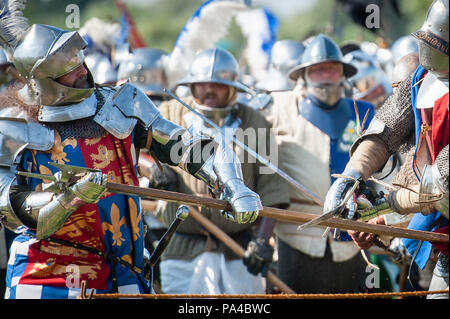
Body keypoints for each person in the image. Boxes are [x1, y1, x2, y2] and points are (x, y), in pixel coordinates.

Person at [0, 13, 262, 298]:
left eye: (79, 61)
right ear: (45, 79)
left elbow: (189, 148)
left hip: (125, 272)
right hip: (48, 278)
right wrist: (67, 197)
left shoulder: (120, 104)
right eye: (70, 69)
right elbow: (8, 208)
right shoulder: (14, 126)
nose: (83, 71)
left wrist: (233, 184)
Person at [323, 0, 448, 299]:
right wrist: (349, 178)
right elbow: (383, 132)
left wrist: (384, 212)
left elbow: (440, 186)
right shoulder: (421, 80)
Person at [155, 47, 290, 294]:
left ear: (232, 87)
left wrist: (261, 241)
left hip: (238, 250)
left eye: (217, 84)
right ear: (192, 86)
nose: (209, 90)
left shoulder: (255, 123)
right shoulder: (170, 114)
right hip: (182, 250)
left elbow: (273, 190)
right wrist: (154, 172)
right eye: (202, 83)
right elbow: (141, 150)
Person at [266, 34, 376, 293]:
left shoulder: (365, 111)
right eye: (317, 70)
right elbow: (261, 171)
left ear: (342, 73)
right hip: (296, 238)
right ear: (303, 74)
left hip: (352, 239)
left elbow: (384, 174)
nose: (325, 74)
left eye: (331, 68)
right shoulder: (278, 109)